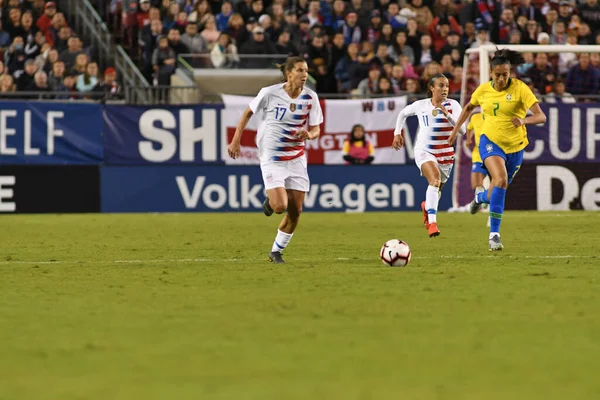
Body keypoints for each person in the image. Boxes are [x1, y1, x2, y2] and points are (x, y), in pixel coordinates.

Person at [228, 56, 323, 264]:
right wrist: (236, 141)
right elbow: (246, 114)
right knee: (280, 206)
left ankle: (276, 251)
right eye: (299, 70)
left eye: (306, 71)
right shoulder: (269, 93)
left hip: (296, 157)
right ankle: (271, 203)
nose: (304, 75)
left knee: (296, 211)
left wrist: (310, 134)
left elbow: (316, 128)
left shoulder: (311, 98)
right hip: (272, 157)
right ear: (288, 73)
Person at [449, 49, 547, 251]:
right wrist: (455, 130)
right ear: (491, 73)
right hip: (490, 141)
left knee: (496, 189)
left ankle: (479, 198)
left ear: (510, 72)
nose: (502, 78)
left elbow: (541, 117)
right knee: (500, 178)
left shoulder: (521, 89)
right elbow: (468, 107)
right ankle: (494, 234)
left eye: (505, 74)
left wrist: (523, 120)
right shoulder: (483, 90)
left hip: (516, 147)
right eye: (497, 75)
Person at [392, 73, 465, 238]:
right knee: (434, 180)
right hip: (425, 151)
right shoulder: (421, 105)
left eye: (446, 85)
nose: (445, 89)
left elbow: (463, 130)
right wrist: (397, 133)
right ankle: (432, 223)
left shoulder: (453, 105)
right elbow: (402, 114)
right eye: (441, 85)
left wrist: (447, 114)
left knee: (437, 191)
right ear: (432, 88)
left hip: (446, 154)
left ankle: (427, 206)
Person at [466, 109, 491, 227]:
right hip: (478, 155)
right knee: (475, 184)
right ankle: (483, 199)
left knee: (497, 183)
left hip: (492, 154)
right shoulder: (475, 117)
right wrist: (468, 138)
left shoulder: (494, 117)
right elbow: (469, 127)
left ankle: (487, 205)